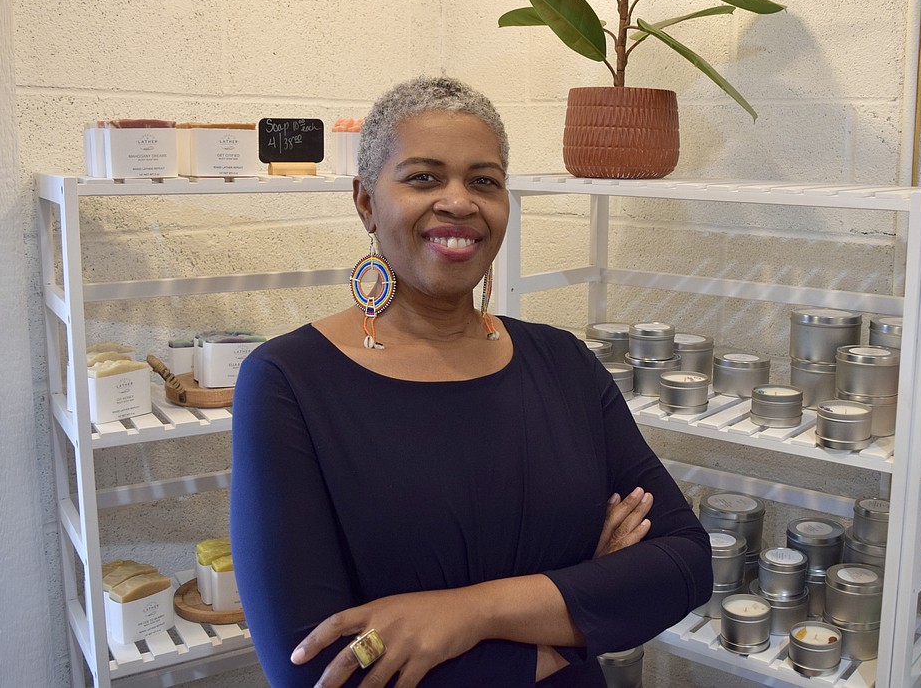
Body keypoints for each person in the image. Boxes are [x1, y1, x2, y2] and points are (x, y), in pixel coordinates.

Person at [230, 76, 713, 688]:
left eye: (483, 181)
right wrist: (579, 620)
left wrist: (467, 613)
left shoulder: (562, 362)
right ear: (365, 203)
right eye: (423, 177)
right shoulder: (289, 382)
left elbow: (685, 562)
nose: (459, 202)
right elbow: (315, 670)